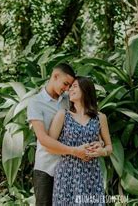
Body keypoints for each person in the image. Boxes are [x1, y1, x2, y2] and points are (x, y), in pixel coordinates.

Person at [27, 63, 94, 206]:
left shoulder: (68, 100)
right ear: (55, 76)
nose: (67, 88)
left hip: (69, 170)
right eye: (65, 84)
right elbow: (43, 139)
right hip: (45, 169)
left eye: (70, 85)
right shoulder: (35, 103)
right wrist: (74, 151)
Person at [49, 76, 113, 205]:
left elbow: (109, 147)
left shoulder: (100, 118)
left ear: (85, 89)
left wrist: (102, 151)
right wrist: (74, 151)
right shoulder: (63, 115)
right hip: (67, 174)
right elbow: (50, 145)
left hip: (92, 174)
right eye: (70, 87)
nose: (70, 90)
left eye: (74, 86)